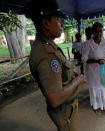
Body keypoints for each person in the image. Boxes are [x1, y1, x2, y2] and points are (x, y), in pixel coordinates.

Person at [24, 0, 85, 131]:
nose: (62, 24)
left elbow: (58, 76)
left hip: (66, 108)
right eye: (58, 20)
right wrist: (77, 81)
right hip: (64, 110)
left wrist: (68, 75)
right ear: (46, 23)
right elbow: (55, 99)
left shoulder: (45, 44)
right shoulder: (47, 55)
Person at [82, 22, 105, 115]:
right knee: (96, 89)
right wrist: (96, 61)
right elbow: (84, 59)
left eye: (100, 31)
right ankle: (97, 107)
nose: (99, 34)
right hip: (94, 72)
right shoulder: (87, 44)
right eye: (96, 31)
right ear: (93, 32)